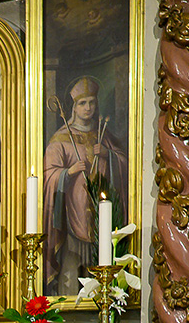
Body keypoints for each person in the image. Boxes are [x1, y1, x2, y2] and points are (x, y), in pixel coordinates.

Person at [43, 76, 128, 295]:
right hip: (72, 217)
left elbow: (125, 165)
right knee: (71, 270)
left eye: (91, 102)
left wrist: (108, 155)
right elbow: (48, 176)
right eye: (82, 103)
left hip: (99, 217)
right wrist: (68, 172)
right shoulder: (61, 139)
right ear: (73, 107)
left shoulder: (104, 136)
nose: (88, 107)